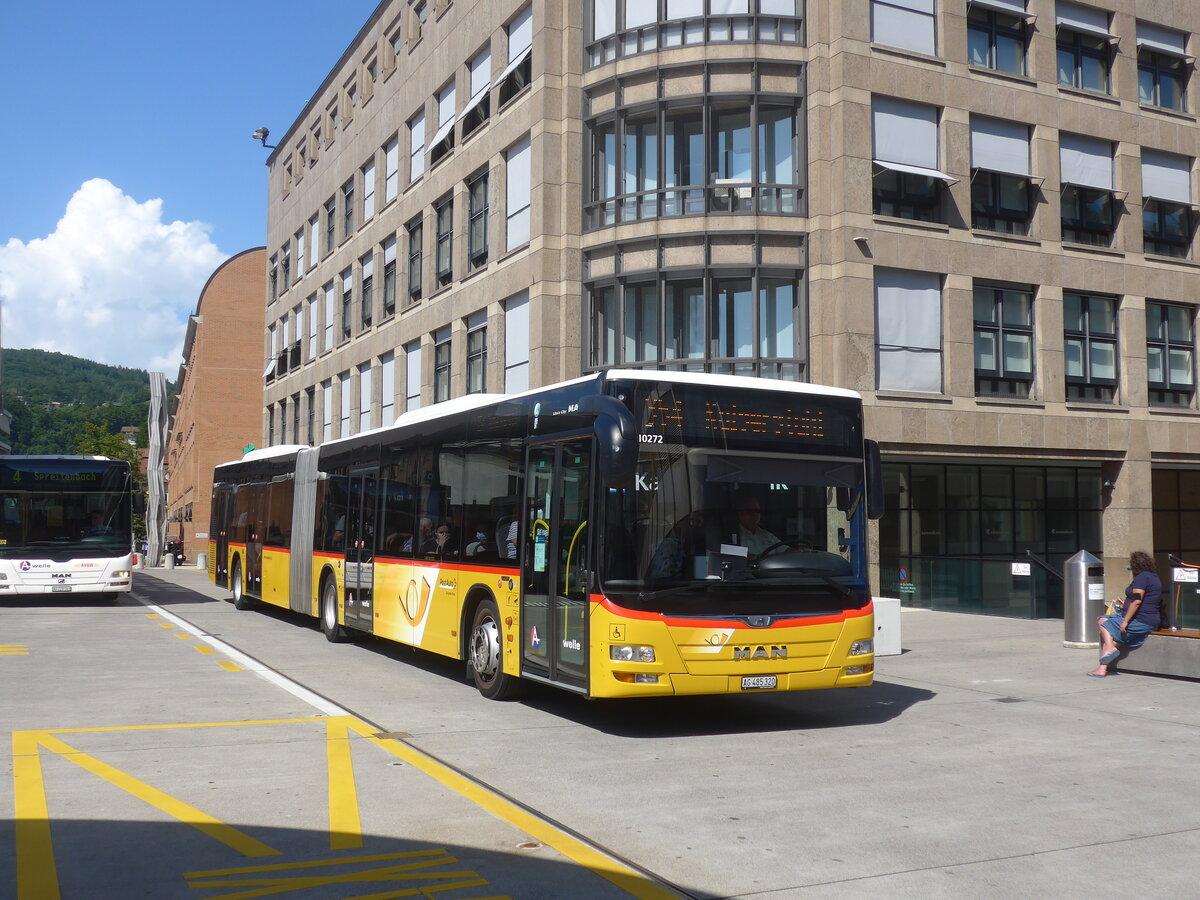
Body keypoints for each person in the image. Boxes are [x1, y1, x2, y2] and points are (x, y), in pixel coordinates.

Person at [1087, 550, 1162, 677]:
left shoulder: (1142, 577)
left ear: (1135, 565)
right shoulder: (1153, 577)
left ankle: (1109, 649)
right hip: (1147, 619)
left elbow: (1137, 600)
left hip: (1140, 620)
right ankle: (1102, 668)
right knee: (1114, 636)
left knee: (1102, 621)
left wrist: (1125, 621)